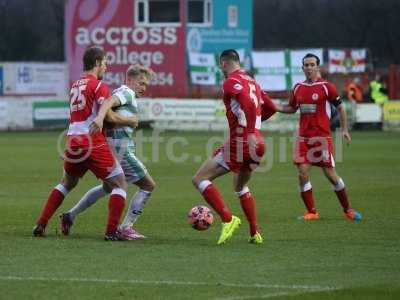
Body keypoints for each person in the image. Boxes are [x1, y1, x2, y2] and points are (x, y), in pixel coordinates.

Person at [33, 46, 130, 241]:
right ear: (96, 63)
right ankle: (111, 232)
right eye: (104, 63)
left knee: (67, 183)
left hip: (73, 140)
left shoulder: (75, 85)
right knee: (120, 184)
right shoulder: (98, 86)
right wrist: (131, 120)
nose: (106, 67)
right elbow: (107, 114)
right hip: (91, 140)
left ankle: (41, 223)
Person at [60, 65, 156, 240]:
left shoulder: (125, 92)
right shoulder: (126, 92)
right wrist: (100, 117)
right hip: (121, 152)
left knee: (107, 187)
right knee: (148, 185)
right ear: (130, 80)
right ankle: (126, 227)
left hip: (111, 149)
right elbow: (108, 101)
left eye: (146, 85)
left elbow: (109, 105)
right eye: (141, 83)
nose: (143, 87)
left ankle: (70, 216)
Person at [192, 49, 275, 245]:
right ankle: (255, 232)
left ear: (223, 63)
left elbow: (245, 101)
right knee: (240, 186)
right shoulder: (253, 81)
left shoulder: (230, 81)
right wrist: (256, 129)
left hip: (242, 141)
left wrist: (249, 132)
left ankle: (228, 219)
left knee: (199, 179)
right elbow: (270, 107)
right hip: (258, 144)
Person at [275, 53, 362, 221]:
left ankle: (348, 210)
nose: (308, 67)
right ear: (302, 68)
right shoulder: (298, 87)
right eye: (306, 65)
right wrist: (275, 107)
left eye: (311, 64)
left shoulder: (326, 87)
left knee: (330, 175)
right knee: (302, 174)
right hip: (304, 139)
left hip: (322, 139)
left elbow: (341, 108)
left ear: (317, 67)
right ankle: (312, 212)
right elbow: (292, 108)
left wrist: (344, 129)